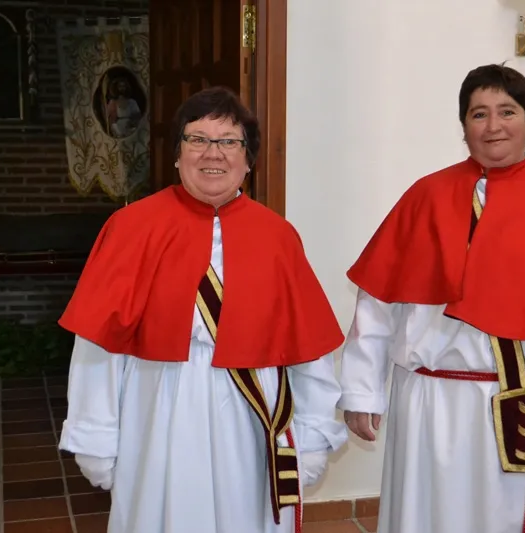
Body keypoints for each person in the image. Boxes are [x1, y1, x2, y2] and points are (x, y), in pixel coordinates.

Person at [337, 64, 525, 533]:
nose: (493, 125)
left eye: (507, 111)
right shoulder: (425, 197)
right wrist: (362, 389)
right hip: (429, 403)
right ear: (463, 125)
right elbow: (377, 304)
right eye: (478, 114)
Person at [57, 86, 348, 533]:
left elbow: (307, 349)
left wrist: (312, 432)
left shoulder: (277, 236)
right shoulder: (131, 227)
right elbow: (98, 344)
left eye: (229, 141)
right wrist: (94, 433)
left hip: (252, 417)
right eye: (197, 139)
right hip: (157, 411)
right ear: (177, 154)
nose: (213, 153)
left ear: (248, 159)